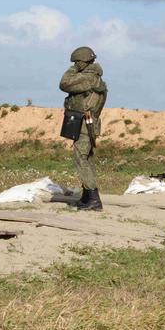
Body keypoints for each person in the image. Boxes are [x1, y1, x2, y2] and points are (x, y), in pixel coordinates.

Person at [59, 46, 108, 211]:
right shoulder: (96, 79)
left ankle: (94, 200)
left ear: (83, 62)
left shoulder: (87, 78)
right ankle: (87, 197)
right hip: (89, 123)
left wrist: (72, 69)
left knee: (81, 158)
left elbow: (64, 83)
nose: (74, 65)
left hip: (84, 124)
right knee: (87, 158)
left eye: (76, 62)